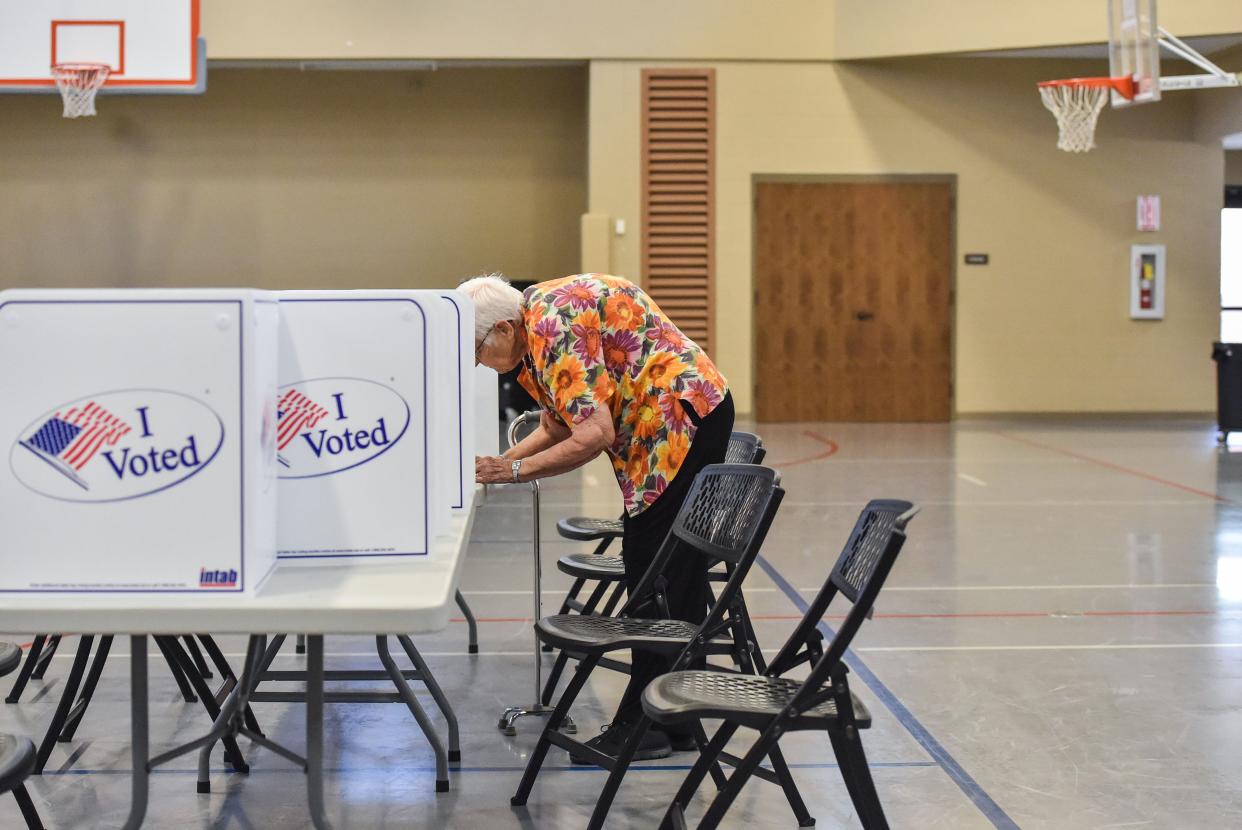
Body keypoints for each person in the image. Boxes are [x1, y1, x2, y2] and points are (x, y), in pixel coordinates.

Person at [462, 272, 733, 762]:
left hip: (679, 419)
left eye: (477, 350)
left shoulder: (550, 325)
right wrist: (495, 469)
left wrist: (512, 470)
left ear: (502, 328)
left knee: (654, 572)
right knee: (667, 570)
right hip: (674, 418)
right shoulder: (535, 325)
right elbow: (557, 423)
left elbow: (592, 435)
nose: (480, 364)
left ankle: (643, 725)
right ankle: (677, 719)